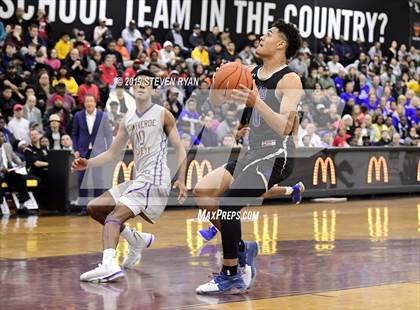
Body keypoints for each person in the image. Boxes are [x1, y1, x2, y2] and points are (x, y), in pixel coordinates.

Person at [193, 20, 304, 295]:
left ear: (281, 44)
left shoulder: (290, 79)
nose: (260, 38)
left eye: (268, 34)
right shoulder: (251, 73)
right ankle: (243, 248)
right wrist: (219, 81)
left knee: (229, 203)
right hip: (251, 153)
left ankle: (231, 273)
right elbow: (221, 101)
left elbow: (285, 127)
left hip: (275, 156)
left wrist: (257, 103)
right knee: (203, 190)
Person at [72, 70, 187, 282]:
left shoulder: (163, 113)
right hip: (139, 179)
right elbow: (112, 153)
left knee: (114, 217)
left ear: (153, 89)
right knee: (95, 208)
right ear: (133, 88)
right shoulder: (128, 119)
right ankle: (135, 239)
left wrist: (181, 177)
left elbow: (180, 147)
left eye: (146, 83)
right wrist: (87, 163)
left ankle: (108, 264)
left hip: (155, 179)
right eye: (138, 82)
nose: (141, 85)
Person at [72, 94, 113, 214]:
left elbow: (108, 134)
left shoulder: (103, 116)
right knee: (81, 179)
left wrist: (109, 149)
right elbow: (74, 134)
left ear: (95, 103)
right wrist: (75, 149)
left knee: (98, 179)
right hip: (83, 151)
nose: (89, 103)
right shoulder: (78, 116)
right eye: (87, 101)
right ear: (84, 103)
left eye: (91, 101)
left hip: (98, 151)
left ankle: (97, 207)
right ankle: (84, 207)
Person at [0, 131, 32, 215]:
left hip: (8, 172)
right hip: (1, 172)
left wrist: (20, 163)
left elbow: (14, 157)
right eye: (0, 136)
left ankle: (22, 207)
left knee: (22, 178)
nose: (1, 138)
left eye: (2, 136)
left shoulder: (7, 146)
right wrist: (1, 169)